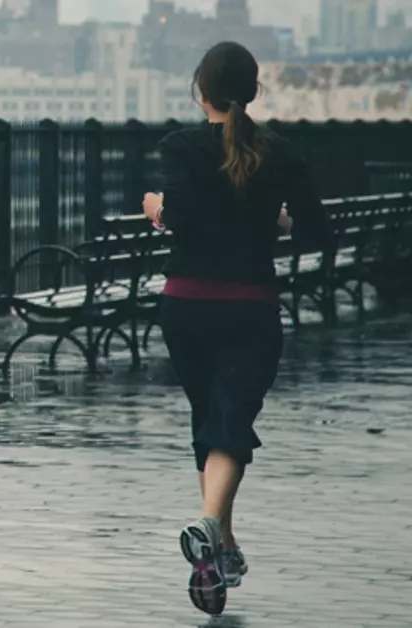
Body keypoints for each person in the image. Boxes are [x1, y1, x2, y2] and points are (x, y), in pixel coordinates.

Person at [141, 41, 332, 616]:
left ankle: (219, 547)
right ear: (252, 91)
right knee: (231, 421)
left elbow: (182, 213)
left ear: (201, 90)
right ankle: (213, 533)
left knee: (211, 420)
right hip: (250, 307)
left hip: (187, 305)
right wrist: (273, 216)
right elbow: (315, 234)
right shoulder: (280, 154)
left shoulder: (180, 145)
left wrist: (154, 206)